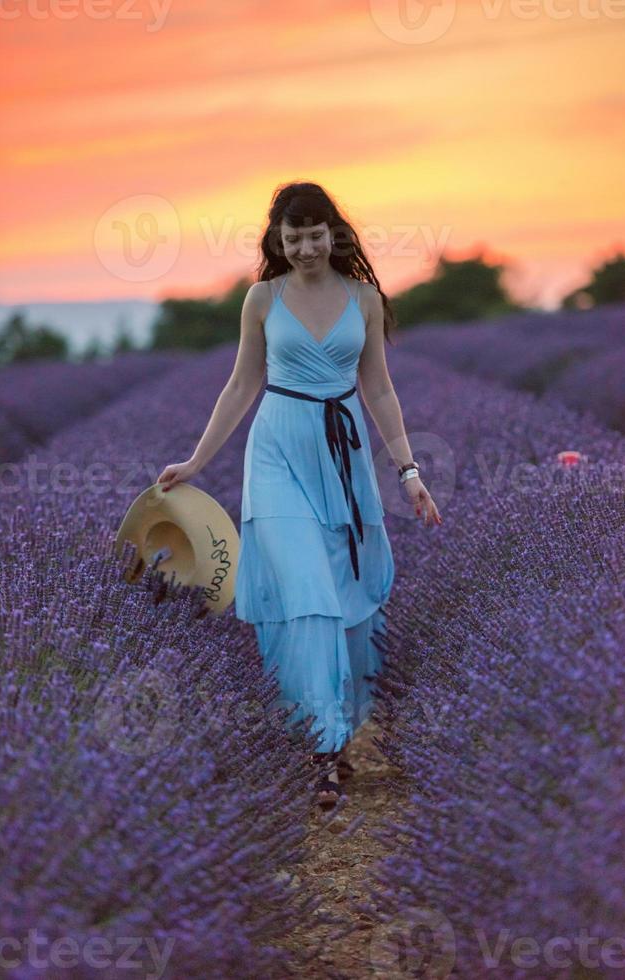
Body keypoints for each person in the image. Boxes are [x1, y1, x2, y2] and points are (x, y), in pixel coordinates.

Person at [157, 181, 441, 809]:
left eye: (316, 235)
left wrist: (409, 472)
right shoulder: (262, 298)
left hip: (343, 457)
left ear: (333, 235)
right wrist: (198, 461)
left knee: (346, 596)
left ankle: (336, 730)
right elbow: (240, 386)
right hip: (278, 453)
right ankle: (321, 751)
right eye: (294, 237)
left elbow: (381, 392)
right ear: (277, 241)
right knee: (308, 592)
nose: (306, 247)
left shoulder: (364, 300)